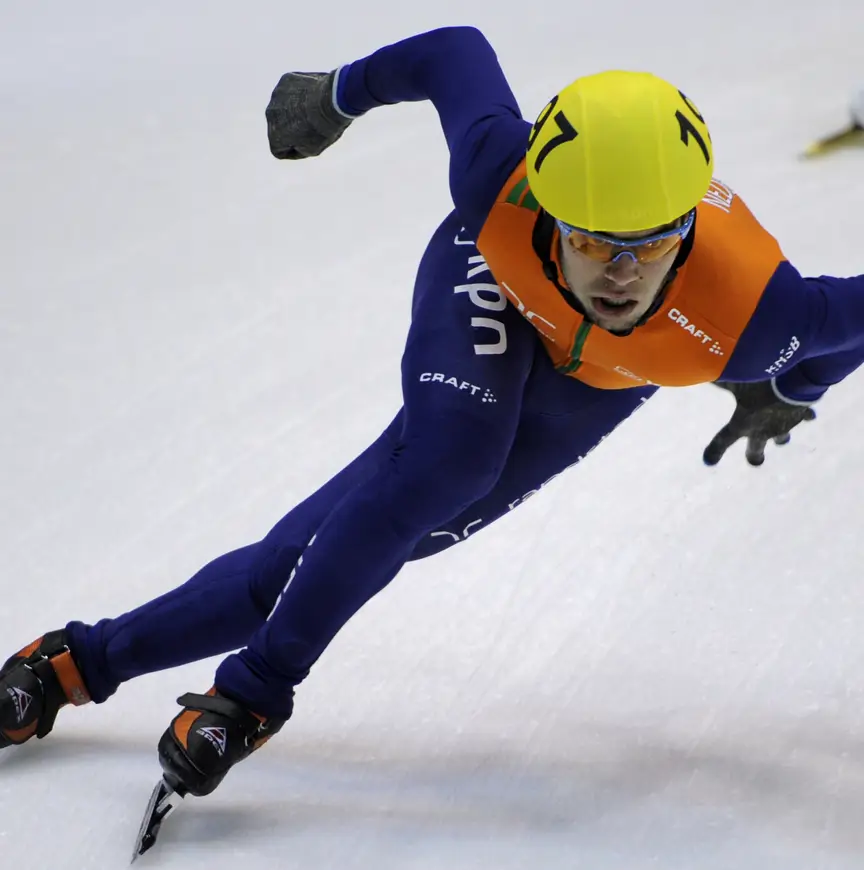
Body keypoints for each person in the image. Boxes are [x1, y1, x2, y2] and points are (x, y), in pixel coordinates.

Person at [2, 26, 862, 802]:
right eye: (591, 239)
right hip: (494, 281)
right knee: (448, 465)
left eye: (651, 244)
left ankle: (74, 663)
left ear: (686, 229)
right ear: (550, 209)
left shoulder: (761, 316)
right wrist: (336, 94)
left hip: (598, 379)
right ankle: (254, 695)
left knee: (318, 559)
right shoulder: (498, 174)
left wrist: (793, 388)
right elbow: (454, 51)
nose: (620, 274)